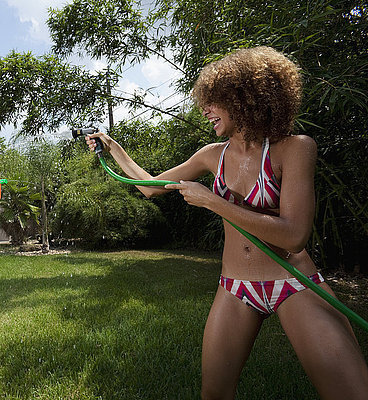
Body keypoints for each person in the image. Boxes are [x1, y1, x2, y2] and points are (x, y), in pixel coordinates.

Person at [86, 46, 368, 399]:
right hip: (235, 286)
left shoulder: (294, 148)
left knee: (351, 392)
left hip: (292, 281)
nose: (204, 111)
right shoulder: (211, 155)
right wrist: (112, 147)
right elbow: (148, 186)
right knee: (214, 394)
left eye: (213, 101)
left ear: (244, 98)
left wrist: (213, 202)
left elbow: (294, 236)